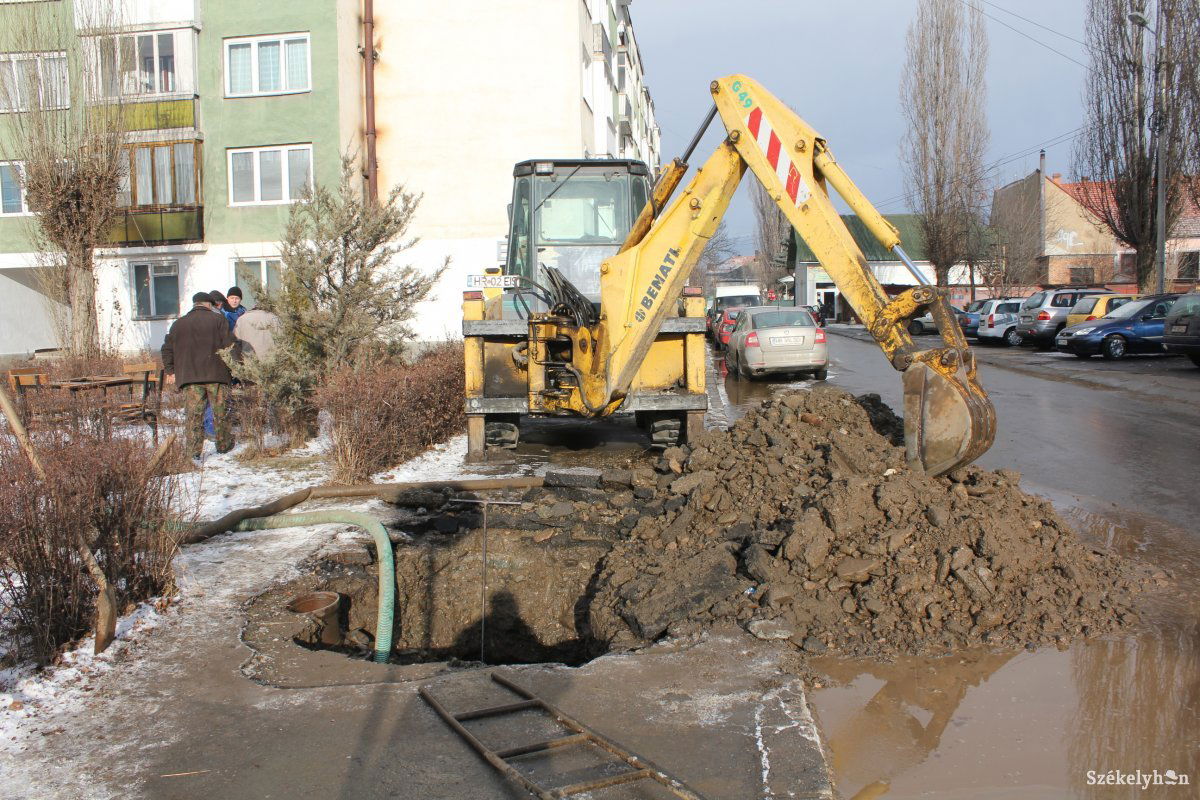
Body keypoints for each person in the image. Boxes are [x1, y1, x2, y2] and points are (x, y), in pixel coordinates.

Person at [161, 292, 236, 460]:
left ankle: (193, 451)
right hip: (216, 375)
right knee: (220, 413)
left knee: (194, 415)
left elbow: (166, 349)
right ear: (209, 305)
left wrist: (170, 370)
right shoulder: (219, 320)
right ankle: (223, 446)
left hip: (189, 377)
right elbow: (229, 346)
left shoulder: (178, 324)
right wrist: (235, 368)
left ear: (195, 304)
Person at [233, 295, 281, 361]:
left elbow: (236, 342)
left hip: (249, 359)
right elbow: (281, 340)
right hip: (270, 360)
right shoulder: (274, 318)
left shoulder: (242, 319)